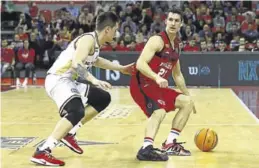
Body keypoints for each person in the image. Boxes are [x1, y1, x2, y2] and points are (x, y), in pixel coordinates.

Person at [30, 12, 132, 166]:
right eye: (115, 29)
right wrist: (94, 80)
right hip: (58, 79)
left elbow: (96, 60)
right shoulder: (87, 39)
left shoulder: (95, 43)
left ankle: (69, 133)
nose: (117, 33)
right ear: (107, 30)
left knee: (103, 98)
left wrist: (121, 68)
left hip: (70, 81)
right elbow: (76, 64)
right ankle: (43, 150)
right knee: (76, 111)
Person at [130, 7, 196, 161]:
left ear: (181, 24)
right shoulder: (157, 40)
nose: (173, 23)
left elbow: (177, 74)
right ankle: (146, 148)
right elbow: (140, 63)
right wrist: (156, 77)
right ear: (166, 21)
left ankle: (170, 143)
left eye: (177, 20)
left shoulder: (177, 45)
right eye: (171, 19)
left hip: (158, 87)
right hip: (142, 84)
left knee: (187, 102)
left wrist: (187, 95)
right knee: (159, 111)